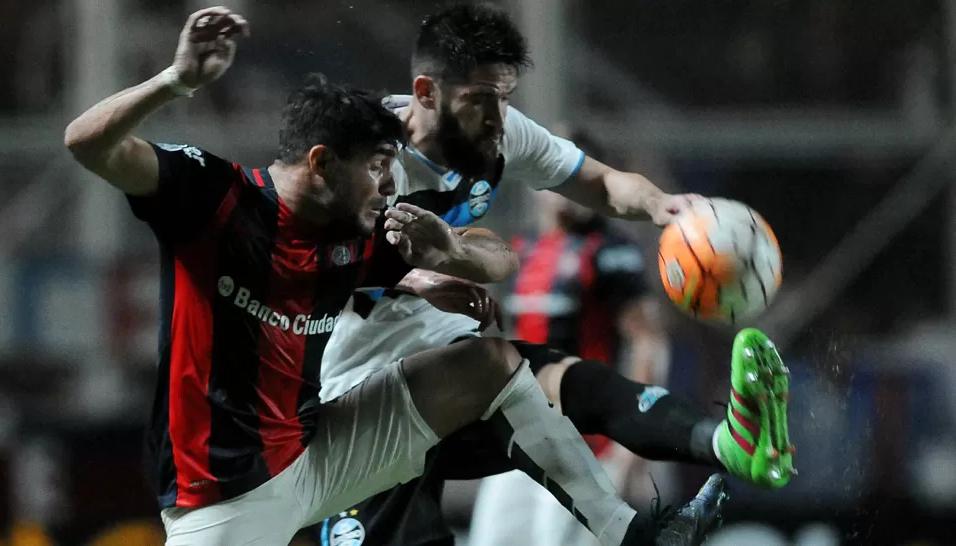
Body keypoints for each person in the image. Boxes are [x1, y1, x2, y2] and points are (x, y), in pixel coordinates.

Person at [64, 7, 725, 546]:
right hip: (222, 502)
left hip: (319, 453)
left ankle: (631, 535)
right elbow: (86, 143)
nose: (390, 183)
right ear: (321, 164)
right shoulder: (219, 201)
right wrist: (176, 81)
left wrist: (446, 256)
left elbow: (501, 260)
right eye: (379, 167)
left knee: (491, 362)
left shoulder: (364, 226)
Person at [311, 4, 793, 545]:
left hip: (447, 365)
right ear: (426, 93)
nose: (497, 118)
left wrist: (661, 204)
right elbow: (303, 263)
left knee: (562, 383)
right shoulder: (362, 153)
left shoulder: (501, 135)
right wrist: (412, 280)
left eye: (505, 96)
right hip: (360, 396)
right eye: (478, 100)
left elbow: (600, 183)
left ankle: (728, 444)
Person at [468, 129, 672, 546]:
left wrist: (633, 443)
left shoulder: (611, 253)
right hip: (517, 442)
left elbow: (648, 342)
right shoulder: (522, 251)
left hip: (584, 447)